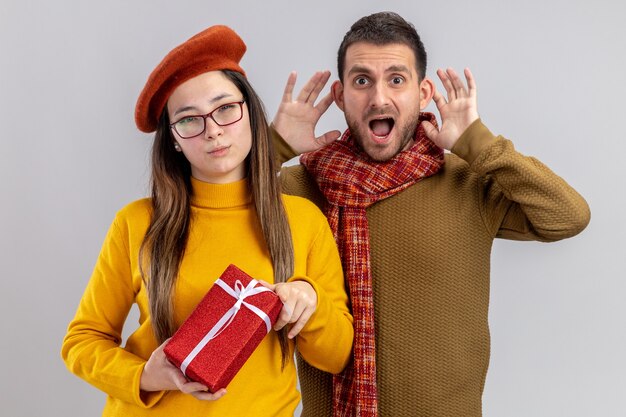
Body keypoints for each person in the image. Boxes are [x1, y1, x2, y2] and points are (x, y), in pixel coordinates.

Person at [271, 11, 591, 417]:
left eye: (396, 79)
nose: (379, 98)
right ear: (340, 95)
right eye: (362, 80)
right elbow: (212, 211)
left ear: (423, 93)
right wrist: (273, 147)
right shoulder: (298, 187)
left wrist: (480, 145)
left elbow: (568, 215)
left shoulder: (468, 182)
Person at [61, 25, 353, 417]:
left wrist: (310, 303)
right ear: (174, 140)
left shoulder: (302, 220)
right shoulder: (136, 222)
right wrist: (148, 375)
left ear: (249, 111)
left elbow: (338, 356)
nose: (213, 130)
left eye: (225, 108)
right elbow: (81, 341)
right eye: (188, 120)